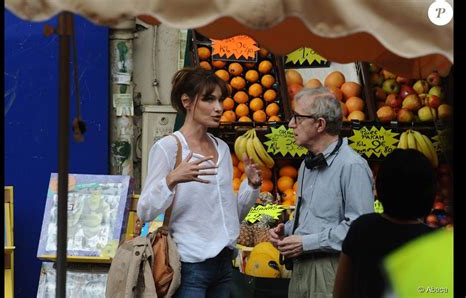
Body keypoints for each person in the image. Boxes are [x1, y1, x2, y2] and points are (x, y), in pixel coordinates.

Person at [137, 66, 262, 298]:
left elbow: (230, 217)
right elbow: (144, 211)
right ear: (187, 101)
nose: (219, 108)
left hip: (224, 264)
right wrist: (173, 178)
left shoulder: (222, 149)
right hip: (189, 265)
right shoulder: (169, 148)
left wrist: (251, 186)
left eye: (220, 100)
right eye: (209, 99)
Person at [269, 87, 374, 297]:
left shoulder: (352, 166)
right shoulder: (307, 164)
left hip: (331, 271)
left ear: (320, 124)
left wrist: (306, 242)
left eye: (297, 118)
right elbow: (317, 217)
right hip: (302, 269)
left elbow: (359, 231)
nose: (291, 124)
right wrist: (288, 230)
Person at [333, 149, 436, 298]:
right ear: (430, 193)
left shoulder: (362, 228)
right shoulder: (435, 241)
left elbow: (341, 292)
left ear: (379, 187)